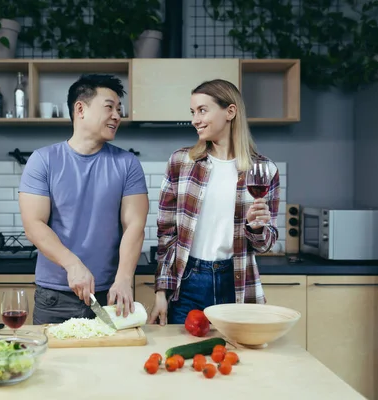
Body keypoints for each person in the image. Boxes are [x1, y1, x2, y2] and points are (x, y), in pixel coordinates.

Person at [18, 73, 149, 325]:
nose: (117, 116)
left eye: (119, 110)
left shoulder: (127, 164)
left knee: (109, 364)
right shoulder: (43, 160)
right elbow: (34, 224)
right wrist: (72, 264)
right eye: (109, 107)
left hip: (110, 295)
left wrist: (123, 278)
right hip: (55, 295)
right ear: (81, 109)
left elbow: (135, 225)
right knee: (53, 364)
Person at [147, 79, 280, 325]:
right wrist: (160, 293)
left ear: (230, 111)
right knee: (183, 358)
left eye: (202, 110)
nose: (195, 120)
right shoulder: (181, 162)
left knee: (237, 361)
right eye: (193, 112)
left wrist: (257, 227)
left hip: (237, 282)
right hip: (187, 283)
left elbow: (265, 244)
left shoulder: (263, 170)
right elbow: (166, 235)